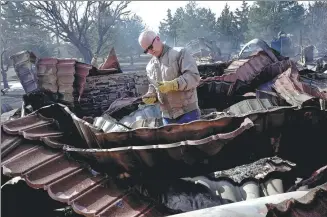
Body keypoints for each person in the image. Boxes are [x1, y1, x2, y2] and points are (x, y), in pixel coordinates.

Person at [138, 30, 201, 125]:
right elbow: (154, 87)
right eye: (146, 50)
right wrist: (151, 96)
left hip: (188, 113)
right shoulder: (149, 66)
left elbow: (193, 77)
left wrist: (174, 84)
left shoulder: (180, 53)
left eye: (150, 47)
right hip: (167, 117)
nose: (150, 51)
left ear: (158, 39)